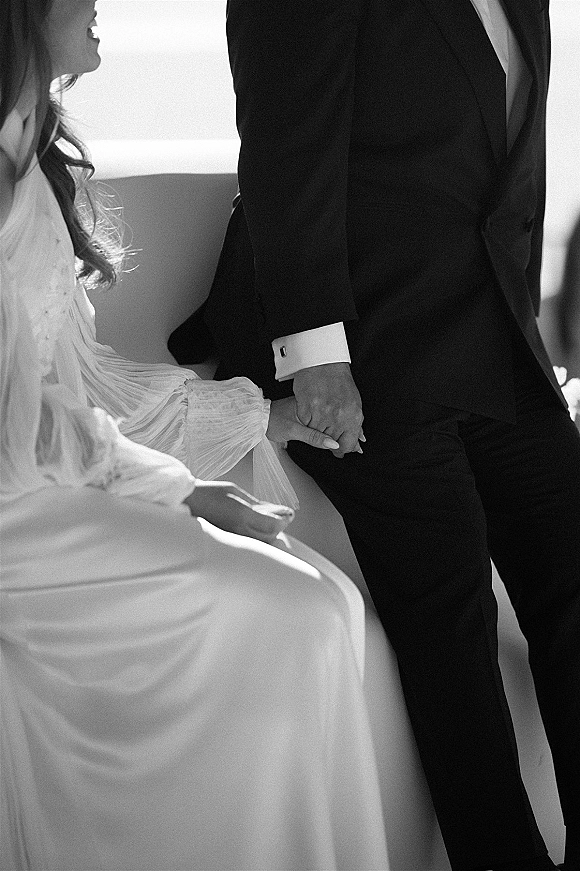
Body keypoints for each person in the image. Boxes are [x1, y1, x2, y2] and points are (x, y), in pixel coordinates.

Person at [172, 1, 580, 869]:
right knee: (449, 602)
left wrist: (527, 338)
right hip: (358, 340)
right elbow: (286, 142)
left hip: (487, 333)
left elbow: (507, 165)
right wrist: (316, 357)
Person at [0, 2, 391, 869]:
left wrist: (194, 473)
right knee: (300, 615)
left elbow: (66, 395)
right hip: (17, 513)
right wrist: (183, 476)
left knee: (326, 604)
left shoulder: (23, 163)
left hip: (43, 478)